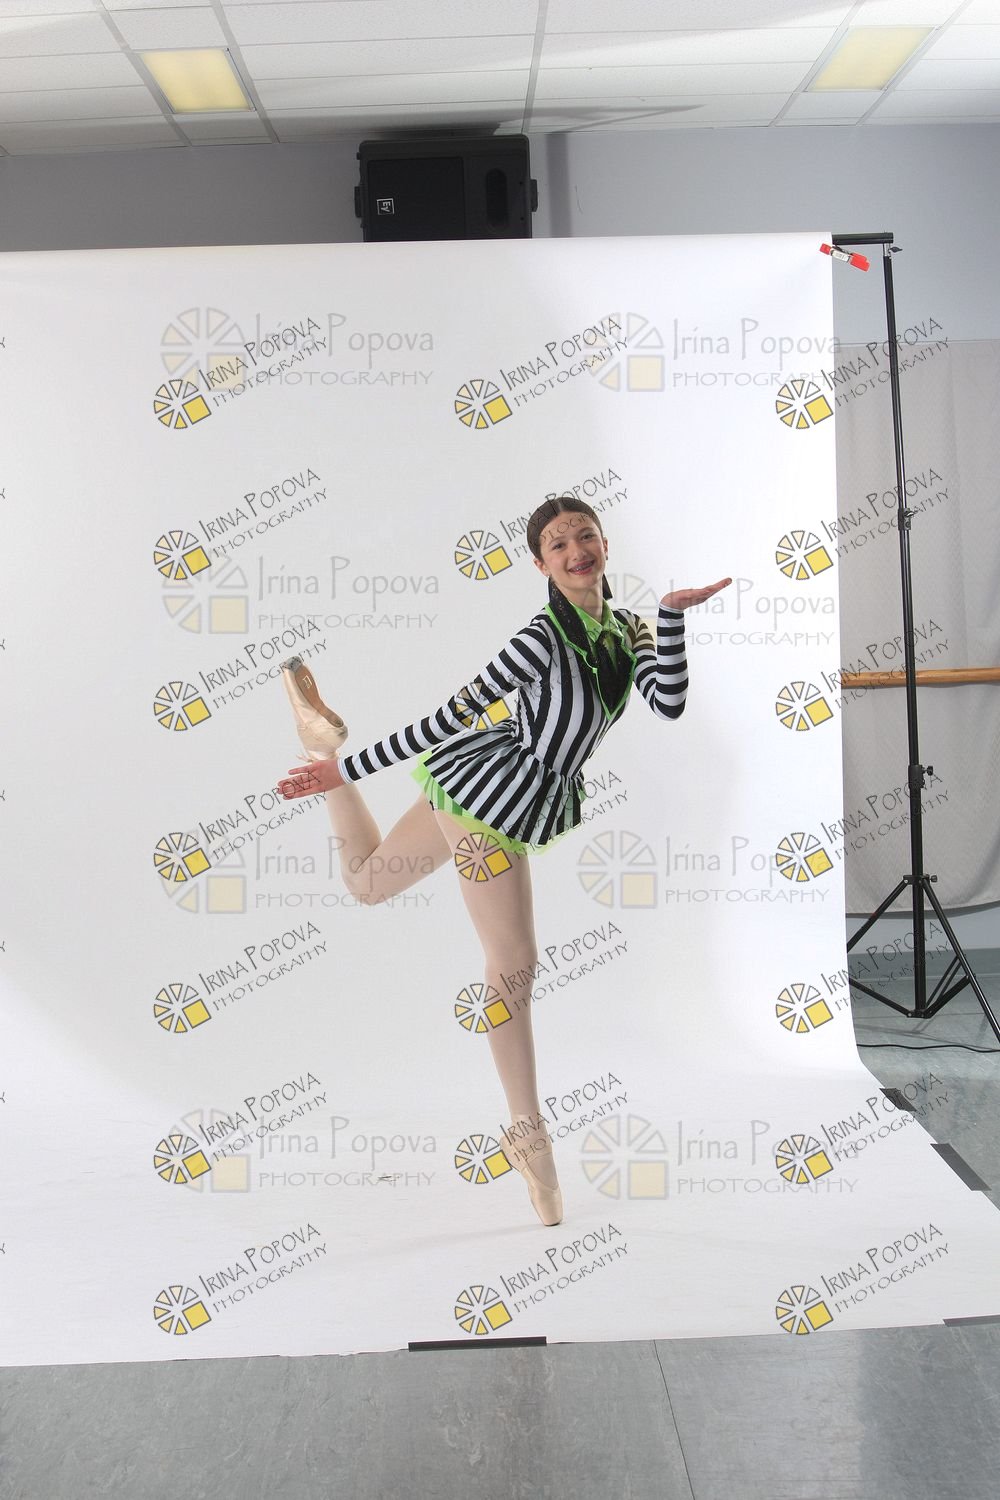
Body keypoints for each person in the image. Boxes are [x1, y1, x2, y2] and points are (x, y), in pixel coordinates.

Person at [277, 497, 731, 1226]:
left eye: (585, 535)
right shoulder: (540, 639)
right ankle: (529, 1133)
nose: (575, 550)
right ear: (541, 564)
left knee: (366, 884)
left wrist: (672, 617)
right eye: (558, 543)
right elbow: (447, 716)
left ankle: (320, 742)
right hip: (488, 794)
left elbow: (667, 701)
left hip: (511, 794)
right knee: (514, 963)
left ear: (605, 545)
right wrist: (353, 769)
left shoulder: (630, 629)